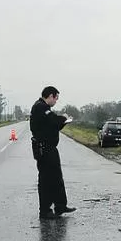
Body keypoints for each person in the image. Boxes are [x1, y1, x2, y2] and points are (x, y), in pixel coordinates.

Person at [30, 86, 76, 219]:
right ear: (50, 96)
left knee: (56, 177)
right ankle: (45, 210)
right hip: (44, 149)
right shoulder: (40, 107)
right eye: (55, 98)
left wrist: (63, 121)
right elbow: (54, 120)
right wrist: (63, 118)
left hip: (50, 148)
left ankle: (60, 206)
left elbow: (54, 125)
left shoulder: (45, 108)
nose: (56, 101)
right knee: (46, 180)